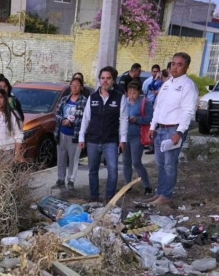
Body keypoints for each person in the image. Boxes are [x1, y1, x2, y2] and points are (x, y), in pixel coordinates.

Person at [145, 53, 198, 207]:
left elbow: (188, 111)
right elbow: (158, 107)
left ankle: (166, 195)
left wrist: (179, 132)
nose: (175, 67)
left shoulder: (188, 86)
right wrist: (152, 126)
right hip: (161, 128)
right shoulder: (167, 84)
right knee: (160, 164)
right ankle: (160, 193)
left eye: (179, 64)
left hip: (174, 130)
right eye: (173, 63)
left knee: (170, 164)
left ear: (187, 67)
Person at [79, 66, 127, 203]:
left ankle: (110, 198)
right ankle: (94, 197)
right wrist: (82, 137)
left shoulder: (120, 98)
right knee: (93, 171)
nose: (105, 81)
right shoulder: (92, 97)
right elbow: (86, 118)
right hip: (93, 140)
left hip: (110, 141)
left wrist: (123, 139)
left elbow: (123, 120)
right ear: (100, 80)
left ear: (113, 80)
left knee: (113, 170)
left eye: (108, 78)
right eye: (103, 78)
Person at [52, 77, 85, 190]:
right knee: (61, 158)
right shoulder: (65, 99)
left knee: (73, 159)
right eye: (72, 85)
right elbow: (56, 114)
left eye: (77, 85)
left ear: (81, 87)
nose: (74, 87)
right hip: (62, 133)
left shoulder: (83, 101)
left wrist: (72, 122)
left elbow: (86, 120)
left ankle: (71, 181)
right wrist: (63, 121)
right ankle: (60, 179)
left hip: (74, 135)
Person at [123, 81, 153, 195]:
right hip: (125, 135)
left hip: (137, 135)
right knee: (126, 161)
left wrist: (137, 120)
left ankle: (147, 185)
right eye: (129, 92)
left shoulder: (145, 102)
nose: (131, 95)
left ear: (139, 92)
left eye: (134, 92)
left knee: (136, 162)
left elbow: (150, 118)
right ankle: (127, 185)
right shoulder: (125, 102)